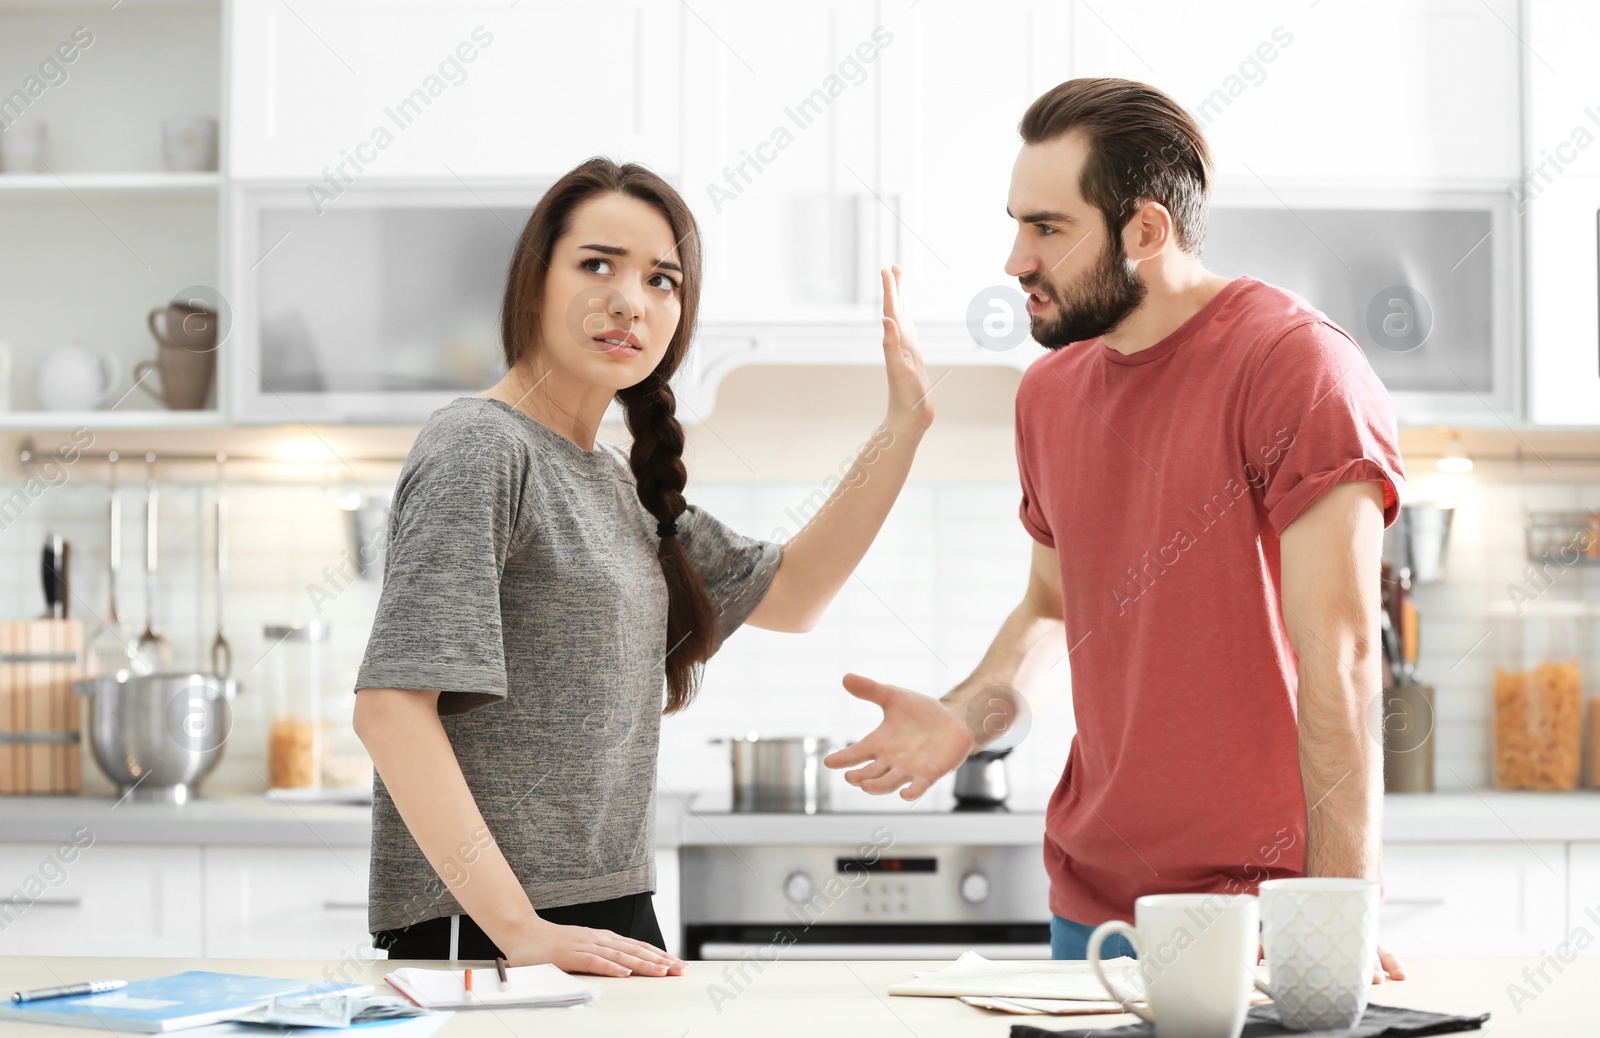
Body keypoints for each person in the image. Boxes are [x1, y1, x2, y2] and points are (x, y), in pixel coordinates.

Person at [824, 78, 1409, 980]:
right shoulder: (1049, 395)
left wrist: (1336, 922)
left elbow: (1343, 660)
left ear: (1145, 231)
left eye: (1048, 229)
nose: (1016, 259)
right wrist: (962, 717)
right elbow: (1053, 610)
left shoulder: (1296, 365)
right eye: (1017, 223)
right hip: (1090, 911)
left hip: (1256, 916)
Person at [353, 158, 933, 976]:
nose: (630, 299)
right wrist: (521, 932)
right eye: (597, 265)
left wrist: (905, 424)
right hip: (487, 934)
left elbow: (796, 593)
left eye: (662, 280)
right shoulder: (479, 446)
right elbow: (390, 712)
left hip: (605, 911)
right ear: (533, 283)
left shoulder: (618, 481)